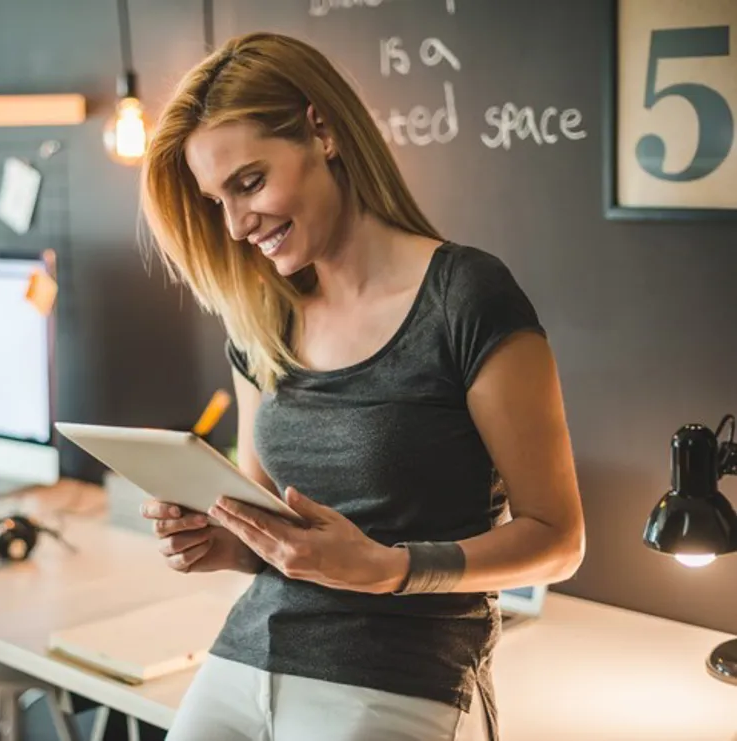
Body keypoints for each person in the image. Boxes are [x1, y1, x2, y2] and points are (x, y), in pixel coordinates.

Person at [138, 32, 585, 741]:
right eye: (217, 199)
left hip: (400, 676)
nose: (236, 224)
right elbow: (274, 525)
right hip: (245, 657)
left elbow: (559, 539)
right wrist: (225, 542)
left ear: (322, 130)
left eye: (250, 183)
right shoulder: (263, 317)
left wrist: (392, 569)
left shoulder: (465, 297)